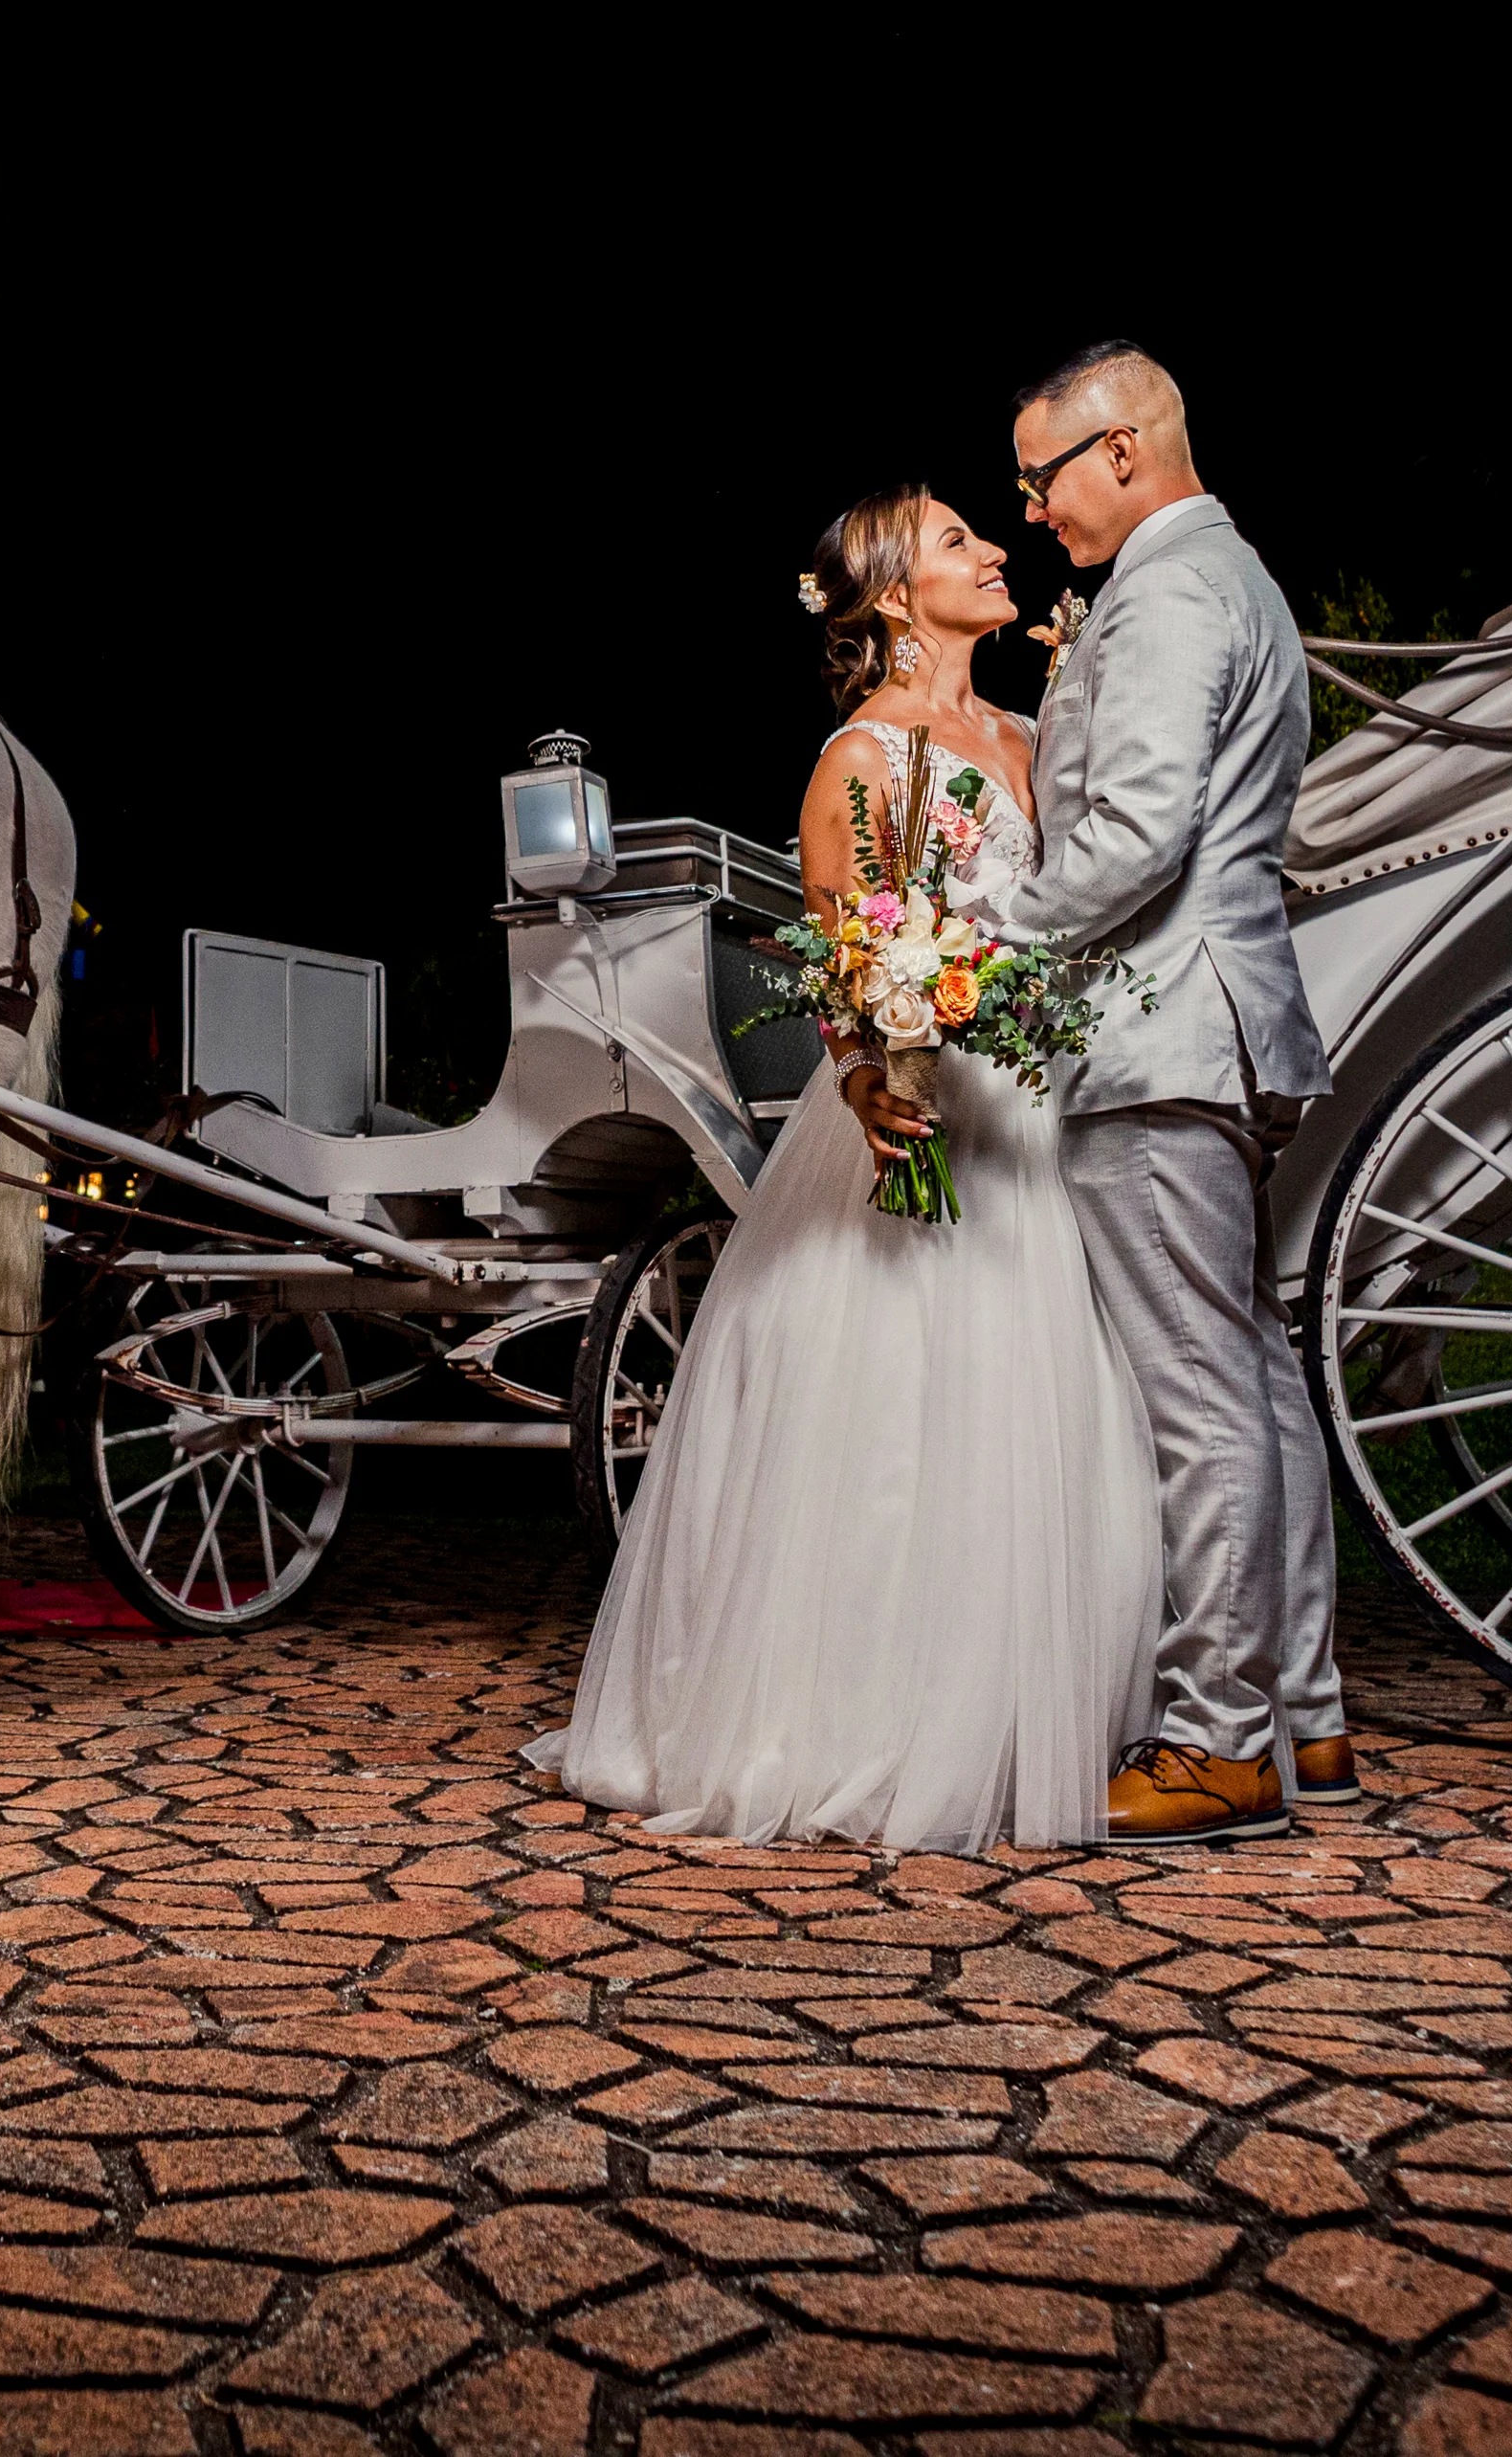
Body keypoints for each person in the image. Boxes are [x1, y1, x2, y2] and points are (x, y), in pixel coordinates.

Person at [525, 485, 1162, 1850]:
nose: (993, 551)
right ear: (889, 595)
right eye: (956, 541)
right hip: (919, 1116)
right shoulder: (859, 762)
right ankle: (864, 1723)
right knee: (897, 1420)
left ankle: (1030, 1711)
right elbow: (849, 967)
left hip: (1037, 1106)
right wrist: (877, 1076)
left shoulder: (1031, 736)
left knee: (1048, 1408)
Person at [1000, 342, 1348, 1846]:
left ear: (1123, 451)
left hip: (1156, 1037)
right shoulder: (1235, 578)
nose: (1031, 513)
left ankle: (1215, 1739)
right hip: (1226, 1025)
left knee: (1202, 1398)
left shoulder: (1164, 593)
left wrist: (978, 944)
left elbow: (1135, 835)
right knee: (1255, 1376)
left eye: (1040, 478)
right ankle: (1304, 1710)